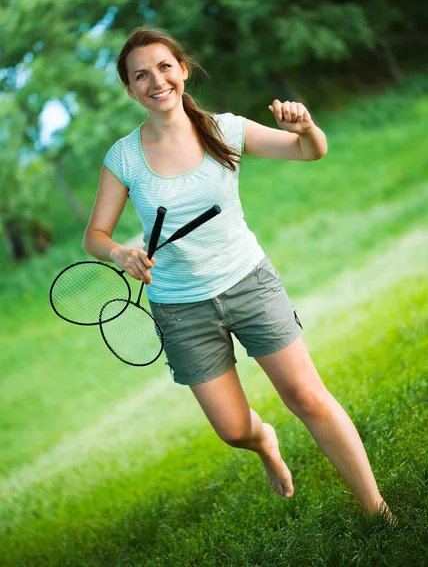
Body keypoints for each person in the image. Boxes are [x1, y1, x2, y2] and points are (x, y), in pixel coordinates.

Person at [83, 26, 395, 523]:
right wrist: (122, 253)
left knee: (307, 397)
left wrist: (305, 128)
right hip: (180, 308)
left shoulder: (226, 129)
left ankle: (377, 510)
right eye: (141, 75)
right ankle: (266, 443)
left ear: (182, 69)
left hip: (248, 282)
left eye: (164, 67)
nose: (156, 81)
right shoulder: (124, 157)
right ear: (130, 89)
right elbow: (94, 236)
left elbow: (310, 151)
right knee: (232, 430)